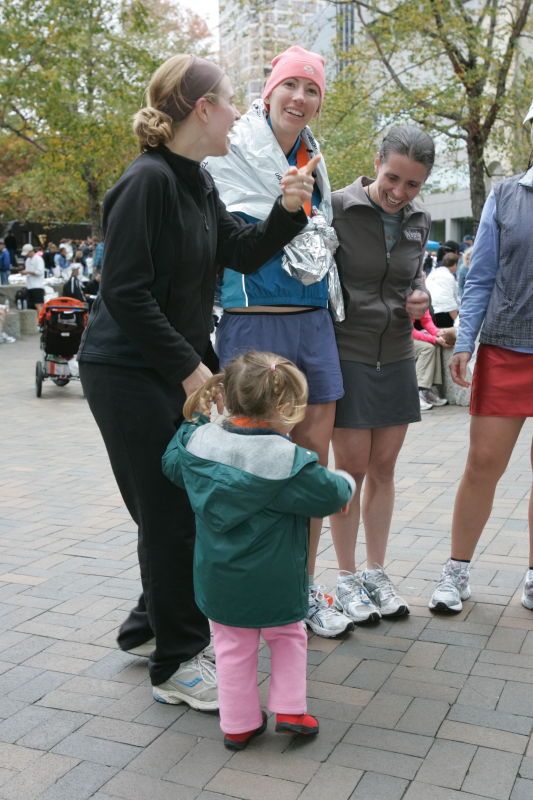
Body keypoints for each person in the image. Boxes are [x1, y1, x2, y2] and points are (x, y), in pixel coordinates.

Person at [77, 53, 316, 710]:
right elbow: (124, 293)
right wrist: (193, 369)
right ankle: (176, 662)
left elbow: (239, 250)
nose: (240, 112)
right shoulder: (145, 183)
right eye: (230, 100)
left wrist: (287, 209)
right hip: (125, 371)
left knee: (178, 505)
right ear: (201, 108)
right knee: (169, 510)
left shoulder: (196, 182)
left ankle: (148, 625)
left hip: (169, 368)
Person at [206, 46, 352, 638]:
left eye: (310, 89)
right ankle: (241, 598)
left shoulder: (316, 157)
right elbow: (232, 239)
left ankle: (302, 588)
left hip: (313, 321)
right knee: (247, 461)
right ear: (267, 92)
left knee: (312, 459)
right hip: (253, 321)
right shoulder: (231, 148)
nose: (299, 97)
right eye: (289, 85)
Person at [162, 351, 355, 749]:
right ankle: (290, 709)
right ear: (285, 405)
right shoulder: (287, 462)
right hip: (278, 578)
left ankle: (238, 723)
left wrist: (193, 422)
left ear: (228, 396)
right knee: (287, 637)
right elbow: (329, 493)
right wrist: (347, 484)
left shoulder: (199, 445)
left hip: (218, 579)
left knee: (231, 648)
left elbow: (171, 462)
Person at [429, 99, 533, 614]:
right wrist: (465, 340)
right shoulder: (508, 195)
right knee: (483, 464)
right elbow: (480, 276)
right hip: (508, 345)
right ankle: (457, 571)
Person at [329, 125, 434, 625]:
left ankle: (375, 572)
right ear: (377, 162)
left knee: (385, 469)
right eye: (393, 178)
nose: (399, 192)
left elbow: (413, 281)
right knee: (350, 468)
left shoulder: (420, 220)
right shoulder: (337, 207)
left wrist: (422, 299)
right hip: (346, 352)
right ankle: (346, 577)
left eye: (412, 184)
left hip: (395, 353)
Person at [413, 309, 455, 410]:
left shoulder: (422, 296)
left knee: (435, 345)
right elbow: (408, 331)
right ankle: (416, 394)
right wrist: (434, 338)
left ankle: (425, 391)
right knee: (427, 348)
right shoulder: (401, 299)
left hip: (407, 335)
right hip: (394, 339)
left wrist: (438, 333)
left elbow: (426, 320)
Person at [426, 251, 459, 327]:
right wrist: (457, 321)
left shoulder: (433, 273)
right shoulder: (449, 277)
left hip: (429, 311)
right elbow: (448, 300)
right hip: (443, 314)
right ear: (454, 265)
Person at [20, 243, 45, 313]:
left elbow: (39, 272)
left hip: (37, 285)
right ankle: (37, 321)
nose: (26, 255)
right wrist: (25, 272)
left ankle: (41, 321)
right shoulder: (27, 260)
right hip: (30, 285)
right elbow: (28, 271)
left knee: (38, 305)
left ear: (31, 251)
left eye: (27, 253)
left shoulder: (38, 259)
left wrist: (27, 272)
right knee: (32, 306)